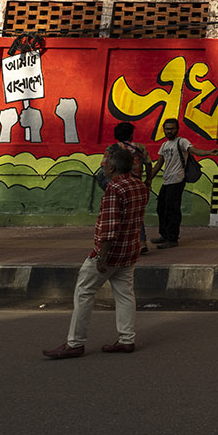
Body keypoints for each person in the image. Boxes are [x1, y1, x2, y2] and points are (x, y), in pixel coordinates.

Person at [43, 145, 148, 359]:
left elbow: (109, 228)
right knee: (125, 294)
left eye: (105, 164)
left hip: (111, 253)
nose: (103, 167)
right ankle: (126, 339)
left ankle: (75, 343)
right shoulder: (139, 186)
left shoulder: (114, 189)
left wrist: (101, 256)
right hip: (129, 251)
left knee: (84, 292)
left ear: (111, 167)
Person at [153, 119, 217, 249]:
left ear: (177, 129)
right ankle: (164, 235)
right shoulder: (164, 145)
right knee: (161, 208)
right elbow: (159, 163)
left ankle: (172, 238)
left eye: (171, 128)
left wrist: (209, 152)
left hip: (177, 180)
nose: (169, 131)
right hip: (166, 180)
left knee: (172, 210)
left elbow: (195, 151)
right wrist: (149, 178)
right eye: (167, 129)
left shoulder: (182, 142)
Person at [103, 122, 154, 254]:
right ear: (131, 134)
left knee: (115, 213)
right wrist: (148, 180)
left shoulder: (112, 148)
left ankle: (116, 243)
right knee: (136, 213)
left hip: (118, 184)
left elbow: (105, 166)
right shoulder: (140, 147)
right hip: (136, 184)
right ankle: (141, 242)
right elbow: (148, 164)